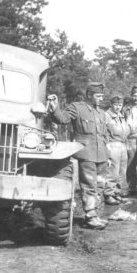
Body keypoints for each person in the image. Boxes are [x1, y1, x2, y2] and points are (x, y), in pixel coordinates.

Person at [48, 82, 109, 230]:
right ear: (89, 95)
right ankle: (90, 216)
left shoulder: (101, 113)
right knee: (89, 185)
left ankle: (95, 213)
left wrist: (108, 154)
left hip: (102, 154)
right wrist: (55, 108)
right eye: (98, 96)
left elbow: (104, 134)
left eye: (102, 96)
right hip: (86, 152)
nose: (101, 99)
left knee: (100, 185)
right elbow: (62, 119)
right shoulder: (77, 108)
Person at [104, 94, 130, 205]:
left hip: (123, 146)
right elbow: (103, 133)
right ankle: (108, 194)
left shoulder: (121, 116)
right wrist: (106, 147)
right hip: (112, 145)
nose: (118, 107)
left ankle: (117, 194)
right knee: (113, 172)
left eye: (120, 105)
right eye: (115, 104)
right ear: (111, 104)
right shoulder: (106, 116)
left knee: (122, 173)